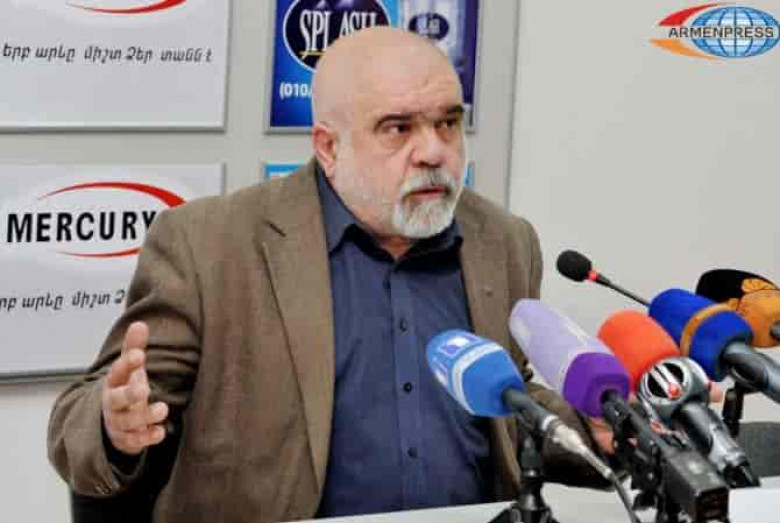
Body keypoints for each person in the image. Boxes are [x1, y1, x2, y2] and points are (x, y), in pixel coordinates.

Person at [48, 27, 609, 523]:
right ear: (328, 146)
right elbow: (79, 421)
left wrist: (599, 429)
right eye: (398, 128)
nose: (434, 151)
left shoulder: (503, 241)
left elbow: (510, 401)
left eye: (448, 123)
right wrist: (114, 428)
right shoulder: (209, 245)